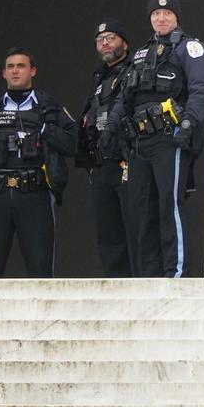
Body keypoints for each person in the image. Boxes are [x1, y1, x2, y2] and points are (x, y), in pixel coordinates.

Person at [111, 0, 204, 277]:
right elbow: (124, 96)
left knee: (170, 205)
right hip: (140, 142)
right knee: (142, 211)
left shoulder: (189, 48)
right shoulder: (141, 54)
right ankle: (150, 276)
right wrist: (112, 127)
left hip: (170, 137)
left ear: (176, 17)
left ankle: (176, 273)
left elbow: (203, 88)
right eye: (156, 14)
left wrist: (189, 123)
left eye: (167, 13)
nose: (161, 17)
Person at [0, 48, 76, 277]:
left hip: (34, 192)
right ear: (3, 74)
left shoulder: (48, 107)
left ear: (33, 71)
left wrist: (42, 128)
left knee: (40, 266)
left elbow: (73, 143)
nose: (15, 71)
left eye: (20, 66)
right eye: (10, 67)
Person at [76, 19, 134, 277]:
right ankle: (115, 283)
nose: (105, 43)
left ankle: (138, 283)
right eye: (100, 40)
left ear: (125, 43)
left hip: (127, 161)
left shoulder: (135, 70)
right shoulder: (98, 77)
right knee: (107, 230)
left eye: (111, 37)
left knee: (133, 226)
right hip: (101, 164)